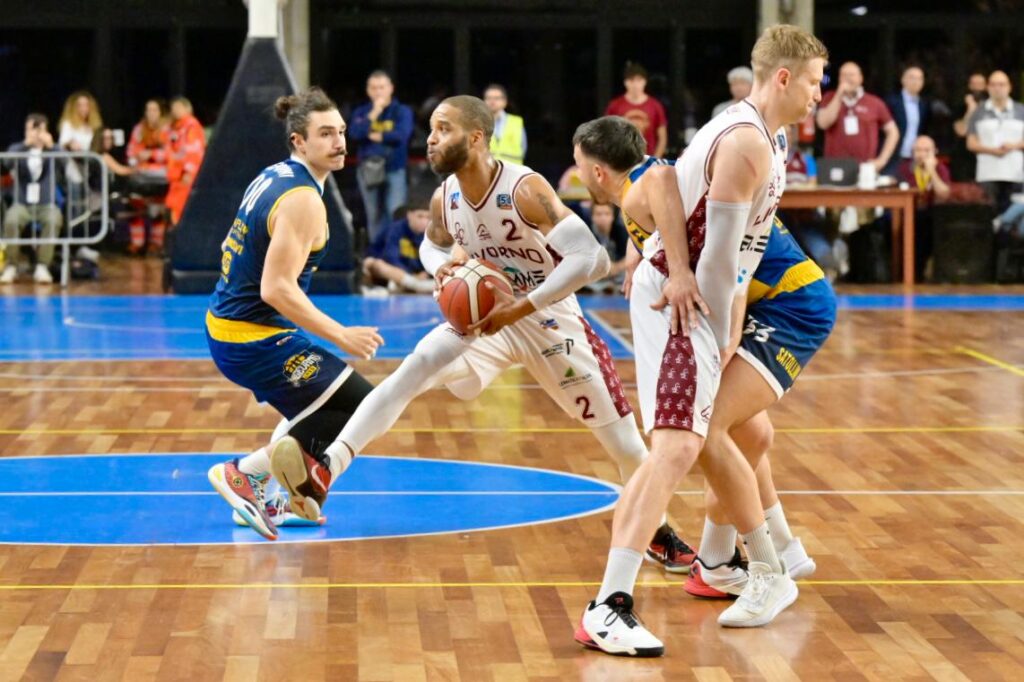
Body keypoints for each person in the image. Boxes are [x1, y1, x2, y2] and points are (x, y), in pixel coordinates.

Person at [282, 95, 695, 572]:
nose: (431, 139)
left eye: (443, 129)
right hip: (485, 320)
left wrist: (523, 304)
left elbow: (593, 259)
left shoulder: (523, 189)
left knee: (623, 443)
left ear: (476, 138)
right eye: (431, 129)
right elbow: (431, 247)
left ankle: (657, 533)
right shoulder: (445, 198)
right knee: (411, 371)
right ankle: (326, 469)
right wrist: (441, 269)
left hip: (549, 321)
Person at [574, 24, 827, 656]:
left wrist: (719, 315)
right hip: (683, 303)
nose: (819, 94)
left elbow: (736, 252)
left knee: (702, 440)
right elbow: (717, 260)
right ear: (784, 77)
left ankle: (739, 564)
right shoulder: (744, 142)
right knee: (682, 444)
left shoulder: (767, 137)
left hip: (698, 299)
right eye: (815, 82)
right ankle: (748, 567)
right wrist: (706, 316)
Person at [205, 87, 384, 541]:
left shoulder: (275, 174)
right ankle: (243, 474)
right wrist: (341, 335)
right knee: (361, 403)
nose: (339, 142)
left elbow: (240, 250)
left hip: (234, 326)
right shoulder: (304, 199)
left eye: (340, 131)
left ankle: (289, 497)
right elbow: (276, 288)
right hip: (251, 337)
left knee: (321, 407)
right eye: (325, 134)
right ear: (299, 141)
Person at [350, 70, 414, 241]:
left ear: (390, 88)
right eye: (374, 88)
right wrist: (374, 113)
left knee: (395, 211)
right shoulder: (361, 111)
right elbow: (355, 133)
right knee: (374, 215)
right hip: (368, 169)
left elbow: (402, 135)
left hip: (395, 167)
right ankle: (377, 251)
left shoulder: (402, 111)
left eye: (382, 87)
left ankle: (394, 250)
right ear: (367, 90)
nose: (378, 92)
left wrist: (376, 135)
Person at [1, 114, 62, 285]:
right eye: (31, 129)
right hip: (22, 204)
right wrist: (25, 145)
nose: (35, 133)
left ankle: (42, 266)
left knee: (53, 219)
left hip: (46, 204)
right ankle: (11, 266)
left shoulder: (53, 149)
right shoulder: (17, 148)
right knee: (11, 219)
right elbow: (5, 164)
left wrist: (52, 146)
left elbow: (66, 165)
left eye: (39, 129)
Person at [816, 61, 898, 172]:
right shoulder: (829, 98)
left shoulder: (874, 102)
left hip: (864, 167)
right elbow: (823, 123)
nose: (848, 78)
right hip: (835, 167)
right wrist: (839, 94)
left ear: (860, 78)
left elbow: (893, 132)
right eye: (844, 75)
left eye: (852, 75)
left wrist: (882, 160)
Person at [966, 70, 1024, 214]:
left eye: (1001, 84)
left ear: (1009, 87)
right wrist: (992, 150)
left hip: (1015, 173)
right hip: (988, 173)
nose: (997, 88)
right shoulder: (978, 112)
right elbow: (971, 143)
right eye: (993, 84)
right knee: (989, 215)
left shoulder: (1021, 110)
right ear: (988, 87)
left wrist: (1014, 146)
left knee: (1013, 215)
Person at [897, 135, 951, 280]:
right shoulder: (905, 168)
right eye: (918, 150)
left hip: (932, 214)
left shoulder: (940, 168)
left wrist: (931, 171)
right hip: (908, 213)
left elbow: (944, 193)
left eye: (927, 150)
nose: (922, 154)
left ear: (935, 152)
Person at [362, 194, 435, 294]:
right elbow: (390, 256)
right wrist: (411, 275)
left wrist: (426, 273)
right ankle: (418, 286)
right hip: (386, 272)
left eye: (428, 217)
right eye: (420, 216)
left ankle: (407, 285)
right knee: (371, 263)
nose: (424, 222)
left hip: (411, 276)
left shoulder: (430, 234)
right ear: (409, 215)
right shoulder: (396, 229)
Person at [126, 99, 171, 255]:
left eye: (154, 110)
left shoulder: (167, 130)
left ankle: (155, 243)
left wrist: (151, 154)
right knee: (135, 205)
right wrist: (137, 159)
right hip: (141, 175)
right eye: (148, 110)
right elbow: (131, 152)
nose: (151, 113)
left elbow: (170, 153)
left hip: (161, 176)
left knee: (158, 210)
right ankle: (136, 243)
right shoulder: (139, 129)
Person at [605, 62, 668, 157]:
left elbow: (662, 138)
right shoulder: (615, 105)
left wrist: (654, 160)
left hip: (648, 158)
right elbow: (607, 134)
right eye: (631, 80)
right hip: (621, 159)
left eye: (639, 80)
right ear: (625, 82)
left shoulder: (655, 106)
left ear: (645, 82)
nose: (635, 84)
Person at [884, 66, 932, 177]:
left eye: (920, 78)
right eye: (912, 77)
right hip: (893, 156)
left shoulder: (924, 105)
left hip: (915, 158)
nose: (916, 81)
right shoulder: (891, 101)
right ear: (903, 80)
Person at [165, 97, 206, 224]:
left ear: (187, 108)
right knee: (174, 208)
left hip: (185, 176)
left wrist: (189, 172)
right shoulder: (174, 127)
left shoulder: (191, 126)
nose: (175, 110)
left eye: (178, 107)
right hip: (175, 175)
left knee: (180, 209)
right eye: (173, 108)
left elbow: (195, 151)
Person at [582, 202, 628, 294]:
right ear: (592, 217)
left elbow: (631, 256)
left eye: (607, 214)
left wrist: (617, 267)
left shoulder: (621, 231)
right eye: (598, 214)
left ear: (612, 216)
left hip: (616, 273)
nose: (603, 218)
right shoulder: (586, 233)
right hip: (595, 274)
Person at [952, 72, 988, 181]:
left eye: (980, 84)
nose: (977, 88)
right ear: (969, 86)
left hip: (986, 154)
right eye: (974, 84)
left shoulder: (991, 107)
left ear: (985, 86)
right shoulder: (960, 106)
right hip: (964, 157)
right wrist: (971, 109)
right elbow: (961, 131)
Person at [484, 84, 527, 165]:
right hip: (486, 170)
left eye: (496, 98)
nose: (492, 102)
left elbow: (523, 148)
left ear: (505, 102)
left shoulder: (516, 122)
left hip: (513, 169)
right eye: (488, 98)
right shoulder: (478, 123)